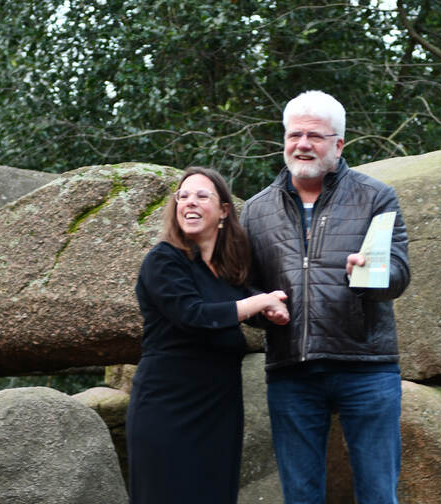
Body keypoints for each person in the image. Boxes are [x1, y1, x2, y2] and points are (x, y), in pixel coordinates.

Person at [240, 90, 411, 504]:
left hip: (367, 367)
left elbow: (399, 272)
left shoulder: (376, 197)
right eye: (294, 135)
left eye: (314, 136)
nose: (302, 144)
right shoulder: (256, 210)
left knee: (378, 494)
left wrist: (372, 274)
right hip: (291, 372)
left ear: (338, 144)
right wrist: (265, 309)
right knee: (300, 496)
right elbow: (244, 287)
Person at [126, 166, 289, 504]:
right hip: (167, 410)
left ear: (224, 211)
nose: (189, 203)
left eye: (202, 196)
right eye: (183, 196)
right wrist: (259, 301)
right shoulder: (163, 261)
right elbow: (195, 316)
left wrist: (270, 311)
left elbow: (241, 306)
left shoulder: (228, 268)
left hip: (218, 412)